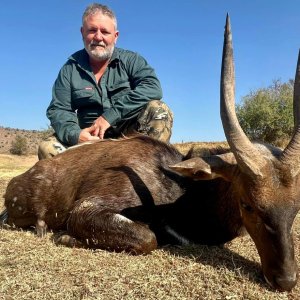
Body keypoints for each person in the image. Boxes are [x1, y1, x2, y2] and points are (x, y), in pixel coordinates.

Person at [38, 3, 173, 159]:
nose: (98, 37)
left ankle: (149, 176)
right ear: (82, 32)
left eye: (105, 32)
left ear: (115, 36)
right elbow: (58, 109)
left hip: (129, 138)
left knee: (159, 110)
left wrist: (109, 117)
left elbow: (153, 88)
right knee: (47, 147)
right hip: (87, 142)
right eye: (92, 30)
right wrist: (76, 135)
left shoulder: (132, 60)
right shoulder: (69, 68)